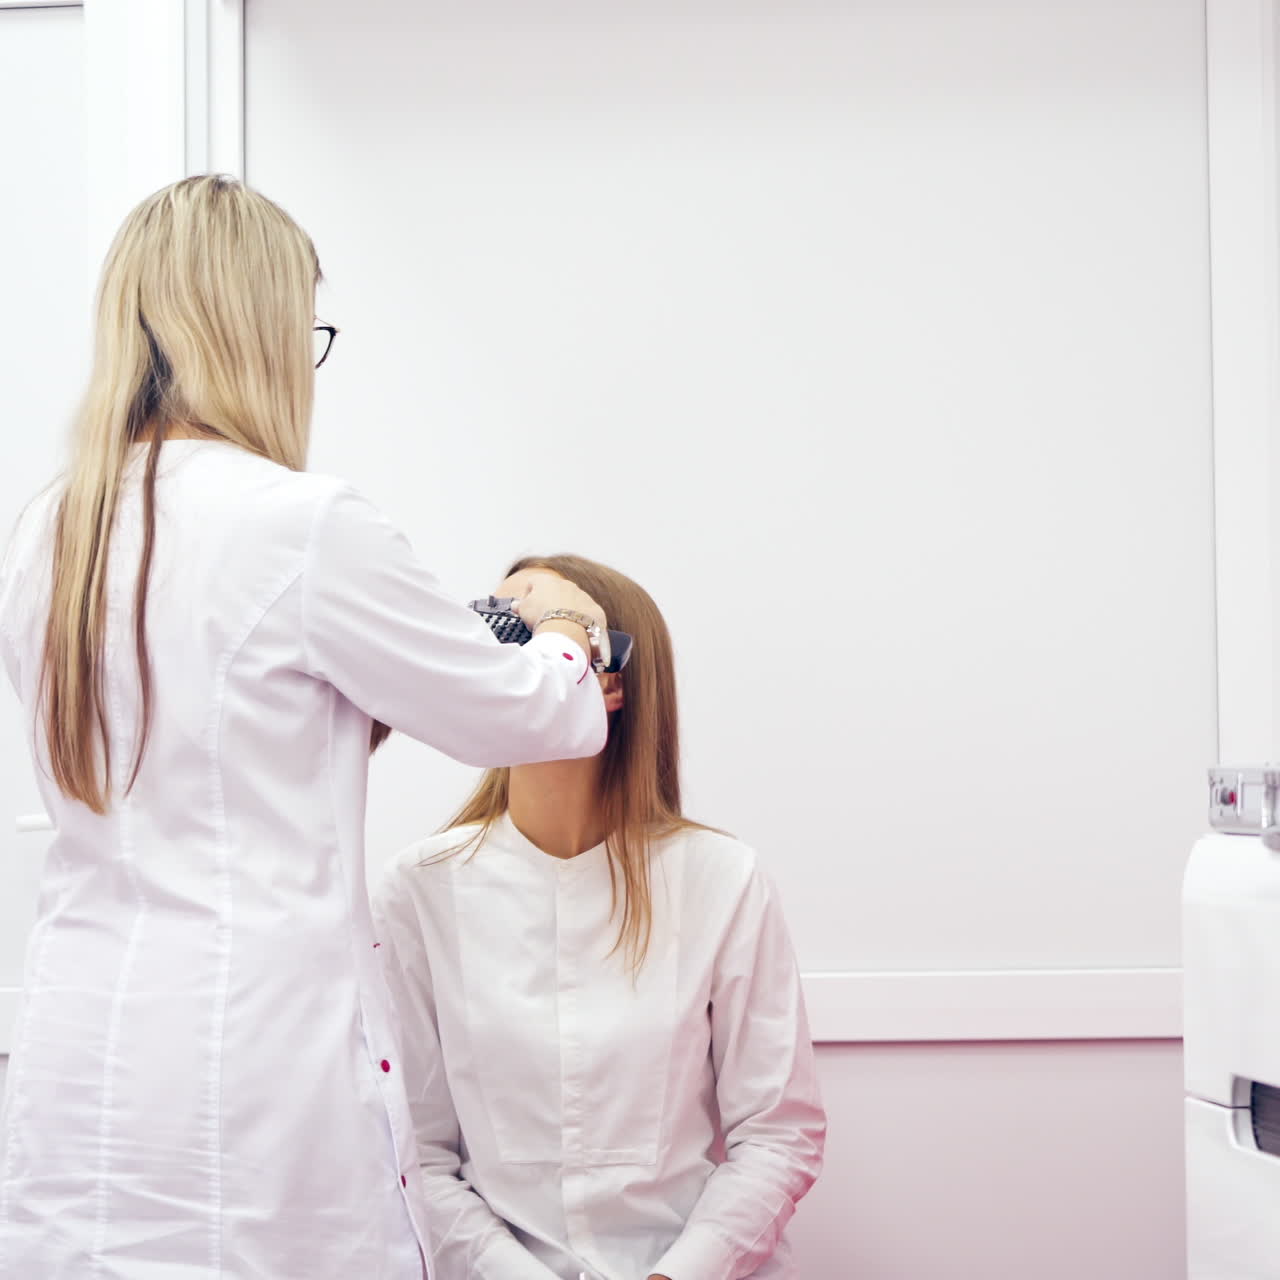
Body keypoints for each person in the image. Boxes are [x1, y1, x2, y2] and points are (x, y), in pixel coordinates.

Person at [0, 176, 612, 1279]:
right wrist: (565, 620)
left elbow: (204, 735)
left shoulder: (53, 526)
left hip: (82, 1047)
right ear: (259, 333)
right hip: (247, 1056)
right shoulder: (300, 525)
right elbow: (533, 712)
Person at [374, 554, 826, 1280]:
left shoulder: (721, 881)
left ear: (604, 678)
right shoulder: (419, 889)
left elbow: (777, 1134)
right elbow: (417, 1155)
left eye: (530, 626)